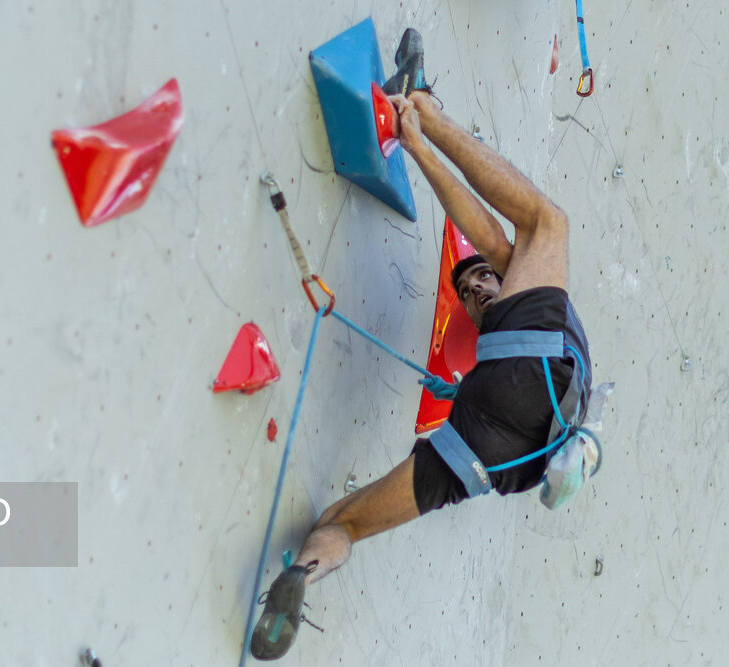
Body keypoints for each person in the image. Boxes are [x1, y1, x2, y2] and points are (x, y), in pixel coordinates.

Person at [249, 28, 593, 660]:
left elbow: (493, 237)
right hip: (497, 458)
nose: (478, 289)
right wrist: (413, 146)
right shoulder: (508, 325)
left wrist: (424, 128)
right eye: (469, 290)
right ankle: (301, 573)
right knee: (344, 523)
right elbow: (486, 241)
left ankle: (425, 105)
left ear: (504, 285)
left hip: (530, 399)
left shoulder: (524, 304)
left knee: (549, 223)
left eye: (482, 282)